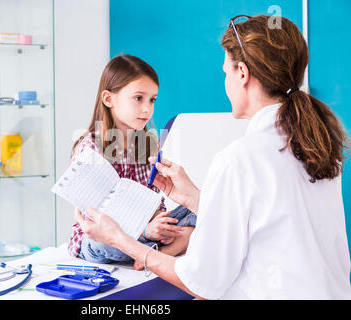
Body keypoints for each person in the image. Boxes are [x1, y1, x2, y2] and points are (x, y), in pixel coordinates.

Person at [75, 15, 351, 299]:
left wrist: (119, 238)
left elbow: (202, 283)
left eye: (225, 72)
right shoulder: (318, 147)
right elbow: (269, 217)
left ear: (242, 73)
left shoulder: (240, 159)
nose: (225, 81)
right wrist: (194, 197)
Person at [68, 54, 196, 267]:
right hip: (102, 239)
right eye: (138, 98)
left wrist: (159, 221)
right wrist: (145, 230)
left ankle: (158, 249)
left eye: (152, 100)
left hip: (143, 232)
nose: (147, 108)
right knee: (102, 243)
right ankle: (164, 247)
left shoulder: (147, 143)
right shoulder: (90, 148)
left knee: (201, 206)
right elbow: (95, 217)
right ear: (109, 99)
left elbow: (154, 199)